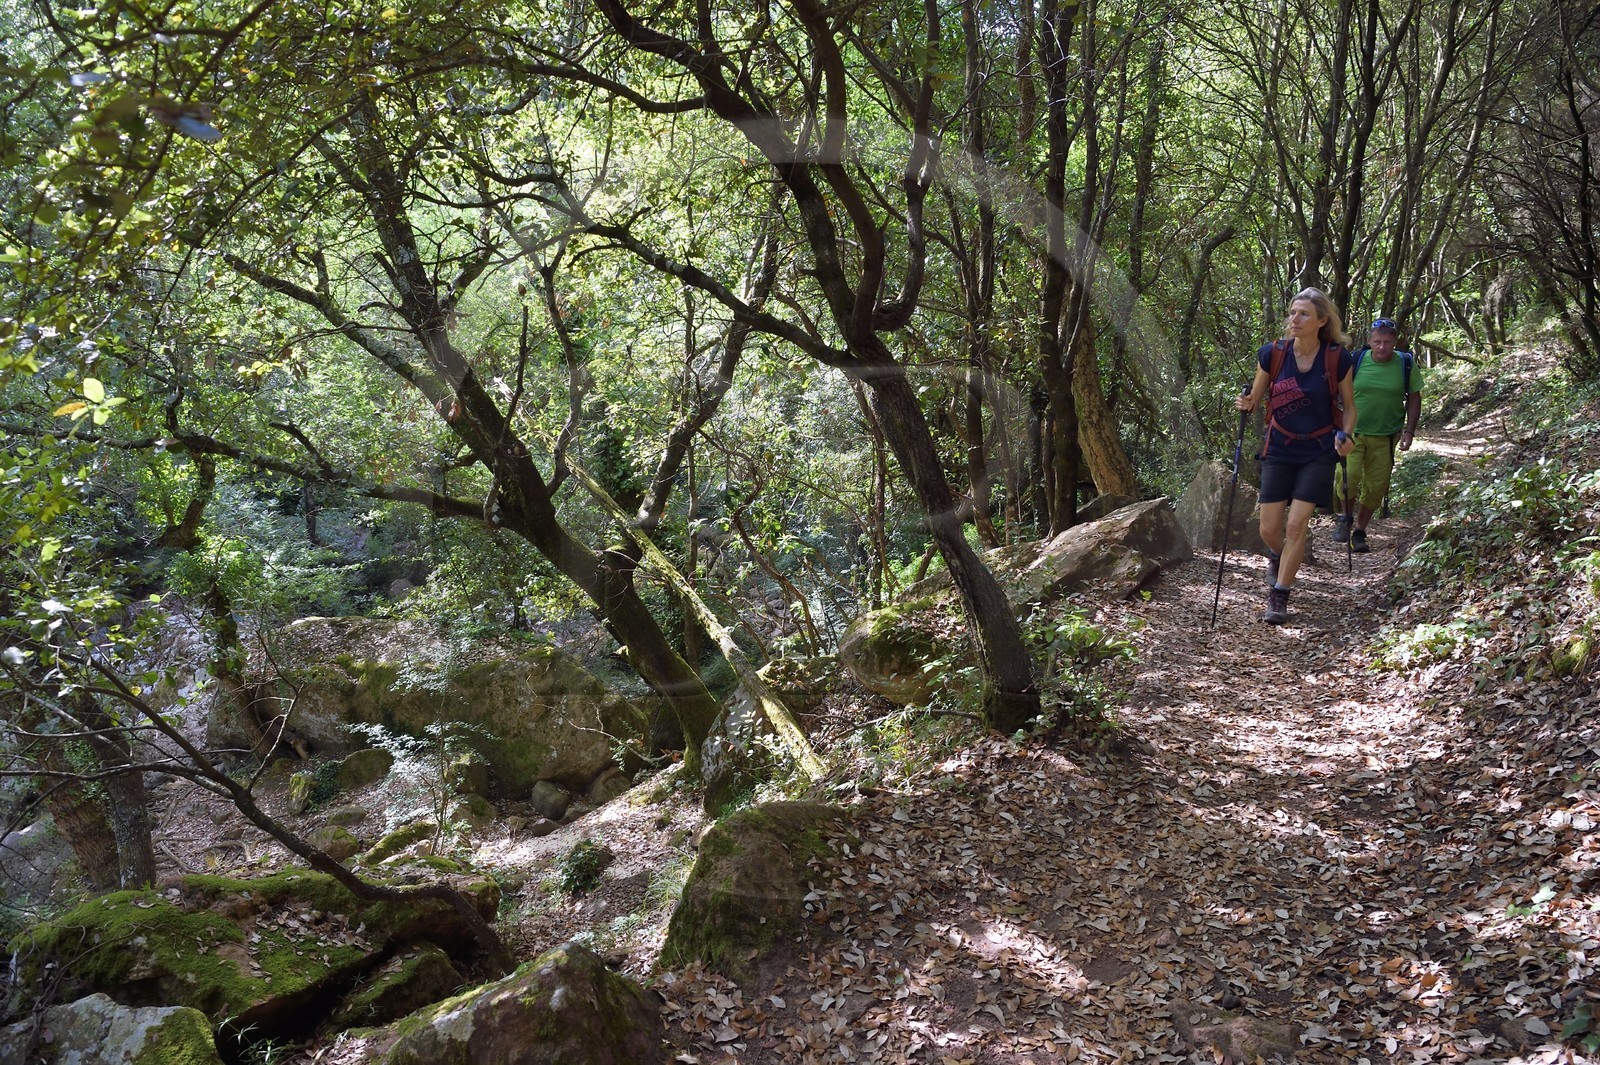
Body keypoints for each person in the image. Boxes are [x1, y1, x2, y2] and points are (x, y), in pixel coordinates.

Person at [1235, 288, 1357, 624]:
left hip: (1319, 449)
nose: (1295, 319)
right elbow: (1254, 400)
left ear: (1322, 321)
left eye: (1304, 314)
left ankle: (1280, 594)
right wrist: (1245, 402)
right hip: (1279, 447)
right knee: (1268, 529)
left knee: (1295, 525)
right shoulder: (1272, 354)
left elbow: (1349, 407)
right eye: (1292, 313)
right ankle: (1279, 555)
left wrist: (1347, 435)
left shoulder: (1337, 358)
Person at [1332, 318, 1423, 552]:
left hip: (1386, 436)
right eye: (1377, 342)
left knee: (1376, 486)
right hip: (1353, 432)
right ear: (1370, 341)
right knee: (1347, 476)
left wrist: (1409, 431)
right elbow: (1338, 392)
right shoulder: (1356, 360)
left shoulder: (1405, 364)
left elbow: (1414, 398)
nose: (1382, 347)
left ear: (1395, 342)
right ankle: (1346, 517)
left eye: (1387, 342)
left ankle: (1359, 532)